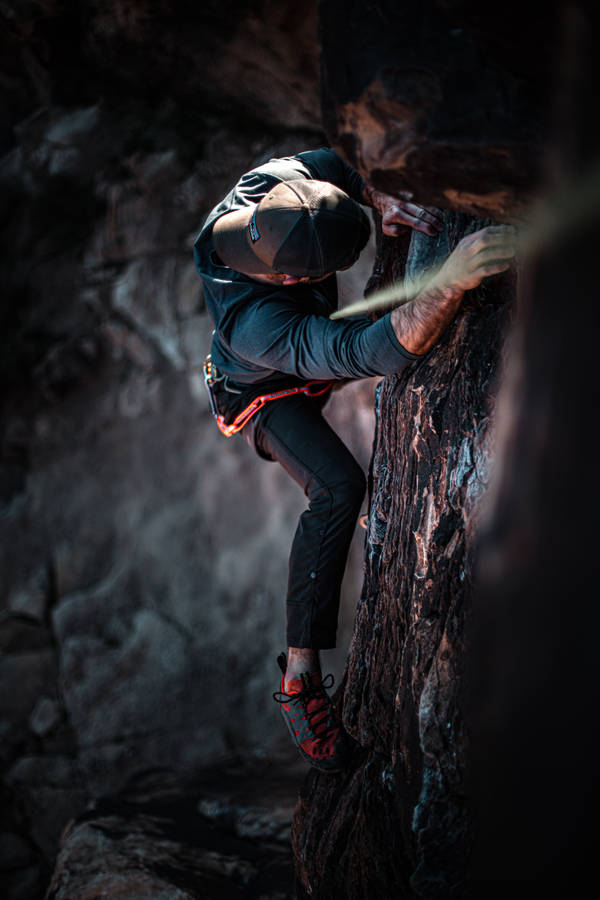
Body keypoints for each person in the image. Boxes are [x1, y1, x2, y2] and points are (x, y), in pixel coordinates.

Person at [193, 147, 515, 772]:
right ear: (292, 280)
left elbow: (337, 164)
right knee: (338, 486)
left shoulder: (267, 186)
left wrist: (375, 194)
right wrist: (451, 280)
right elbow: (372, 351)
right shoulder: (256, 325)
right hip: (263, 394)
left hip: (305, 340)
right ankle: (301, 681)